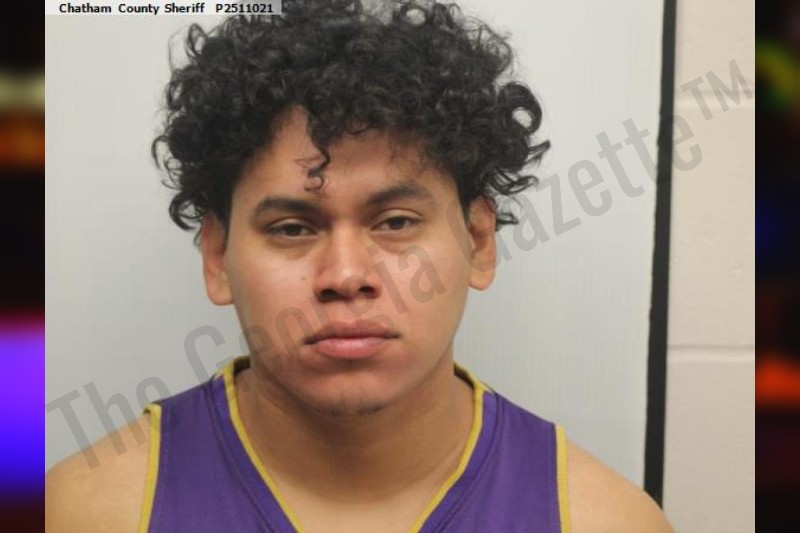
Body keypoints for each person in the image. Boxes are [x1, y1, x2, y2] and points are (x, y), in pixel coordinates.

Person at [46, 1, 674, 531]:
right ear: (217, 257)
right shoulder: (87, 512)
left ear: (480, 241)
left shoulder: (605, 521)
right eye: (292, 228)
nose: (346, 276)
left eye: (395, 222)